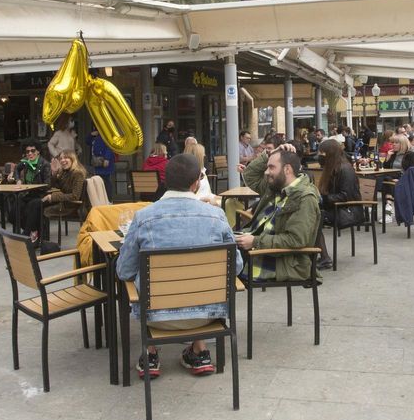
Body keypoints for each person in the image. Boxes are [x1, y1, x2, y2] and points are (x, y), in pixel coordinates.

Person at [116, 153, 241, 378]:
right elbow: (237, 266)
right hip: (207, 316)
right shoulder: (217, 216)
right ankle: (200, 351)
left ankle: (151, 352)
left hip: (156, 318)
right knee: (198, 277)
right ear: (196, 183)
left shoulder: (143, 217)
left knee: (146, 282)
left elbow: (124, 270)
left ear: (164, 181)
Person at [235, 144, 322, 283]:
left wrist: (255, 241)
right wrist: (270, 154)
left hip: (280, 262)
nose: (266, 172)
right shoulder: (276, 187)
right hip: (255, 250)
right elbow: (249, 175)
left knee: (219, 269)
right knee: (215, 251)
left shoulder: (305, 198)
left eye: (271, 167)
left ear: (287, 169)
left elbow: (296, 240)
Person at [314, 139, 359, 269]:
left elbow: (345, 196)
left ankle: (324, 258)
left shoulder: (345, 169)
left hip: (348, 211)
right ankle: (316, 255)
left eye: (322, 154)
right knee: (307, 214)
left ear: (330, 154)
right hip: (336, 208)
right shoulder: (333, 168)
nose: (320, 157)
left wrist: (323, 199)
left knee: (313, 219)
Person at [14, 141, 52, 241]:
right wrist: (18, 180)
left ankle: (26, 234)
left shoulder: (45, 164)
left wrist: (34, 187)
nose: (30, 153)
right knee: (13, 211)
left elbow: (48, 184)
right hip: (28, 194)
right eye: (27, 152)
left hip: (40, 195)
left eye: (32, 151)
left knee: (30, 208)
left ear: (38, 151)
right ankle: (33, 229)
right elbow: (16, 169)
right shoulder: (25, 162)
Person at [181, 137, 219, 206]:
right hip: (200, 205)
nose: (204, 155)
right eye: (203, 154)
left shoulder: (201, 170)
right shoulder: (187, 173)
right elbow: (185, 198)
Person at [87, 130, 116, 202]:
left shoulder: (108, 134)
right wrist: (91, 134)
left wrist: (107, 158)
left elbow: (110, 146)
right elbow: (87, 141)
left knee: (106, 181)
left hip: (105, 162)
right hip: (97, 163)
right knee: (98, 181)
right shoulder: (95, 135)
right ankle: (101, 200)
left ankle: (109, 200)